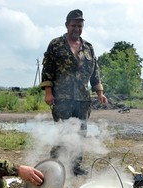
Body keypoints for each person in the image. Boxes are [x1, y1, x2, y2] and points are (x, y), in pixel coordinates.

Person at [40, 9, 107, 175]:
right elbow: (48, 68)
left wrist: (99, 92)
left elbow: (95, 72)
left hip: (83, 99)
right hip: (62, 97)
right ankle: (55, 167)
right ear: (66, 25)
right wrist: (48, 92)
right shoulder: (55, 44)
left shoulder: (88, 47)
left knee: (81, 133)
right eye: (73, 25)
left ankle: (75, 167)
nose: (76, 28)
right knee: (62, 132)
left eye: (79, 25)